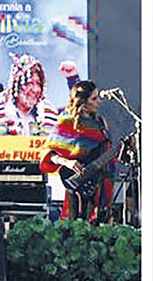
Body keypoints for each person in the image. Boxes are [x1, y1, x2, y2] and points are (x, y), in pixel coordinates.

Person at [39, 80, 118, 222]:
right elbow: (47, 153)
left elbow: (108, 155)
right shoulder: (66, 122)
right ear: (83, 101)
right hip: (77, 189)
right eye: (94, 98)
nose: (98, 102)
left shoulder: (100, 122)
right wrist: (66, 162)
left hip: (101, 187)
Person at [0, 53, 60, 136]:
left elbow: (54, 145)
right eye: (29, 83)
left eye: (38, 84)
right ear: (17, 86)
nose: (35, 89)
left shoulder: (48, 111)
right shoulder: (1, 109)